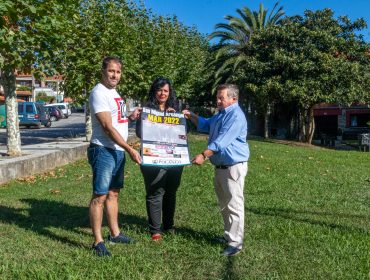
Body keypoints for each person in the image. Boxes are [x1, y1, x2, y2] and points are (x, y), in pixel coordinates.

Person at [183, 84, 249, 256]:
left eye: (222, 98)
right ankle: (228, 236)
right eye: (218, 98)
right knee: (225, 204)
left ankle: (235, 243)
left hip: (233, 167)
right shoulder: (221, 114)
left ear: (233, 99)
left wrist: (203, 155)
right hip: (221, 167)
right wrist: (191, 116)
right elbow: (205, 124)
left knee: (234, 205)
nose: (218, 101)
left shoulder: (235, 116)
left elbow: (221, 141)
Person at [87, 56, 142, 257]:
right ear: (103, 71)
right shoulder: (98, 93)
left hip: (116, 151)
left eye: (118, 72)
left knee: (113, 194)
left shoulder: (114, 92)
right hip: (103, 149)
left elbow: (116, 120)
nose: (114, 75)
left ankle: (115, 234)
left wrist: (129, 117)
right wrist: (130, 148)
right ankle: (98, 241)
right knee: (99, 196)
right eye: (111, 71)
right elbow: (107, 128)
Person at [136, 77, 184, 241]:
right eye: (159, 90)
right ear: (154, 91)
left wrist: (176, 119)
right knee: (155, 192)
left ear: (169, 92)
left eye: (166, 90)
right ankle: (155, 230)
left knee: (171, 192)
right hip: (153, 157)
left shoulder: (176, 108)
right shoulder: (146, 109)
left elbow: (184, 133)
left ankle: (169, 226)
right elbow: (139, 133)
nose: (162, 93)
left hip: (174, 158)